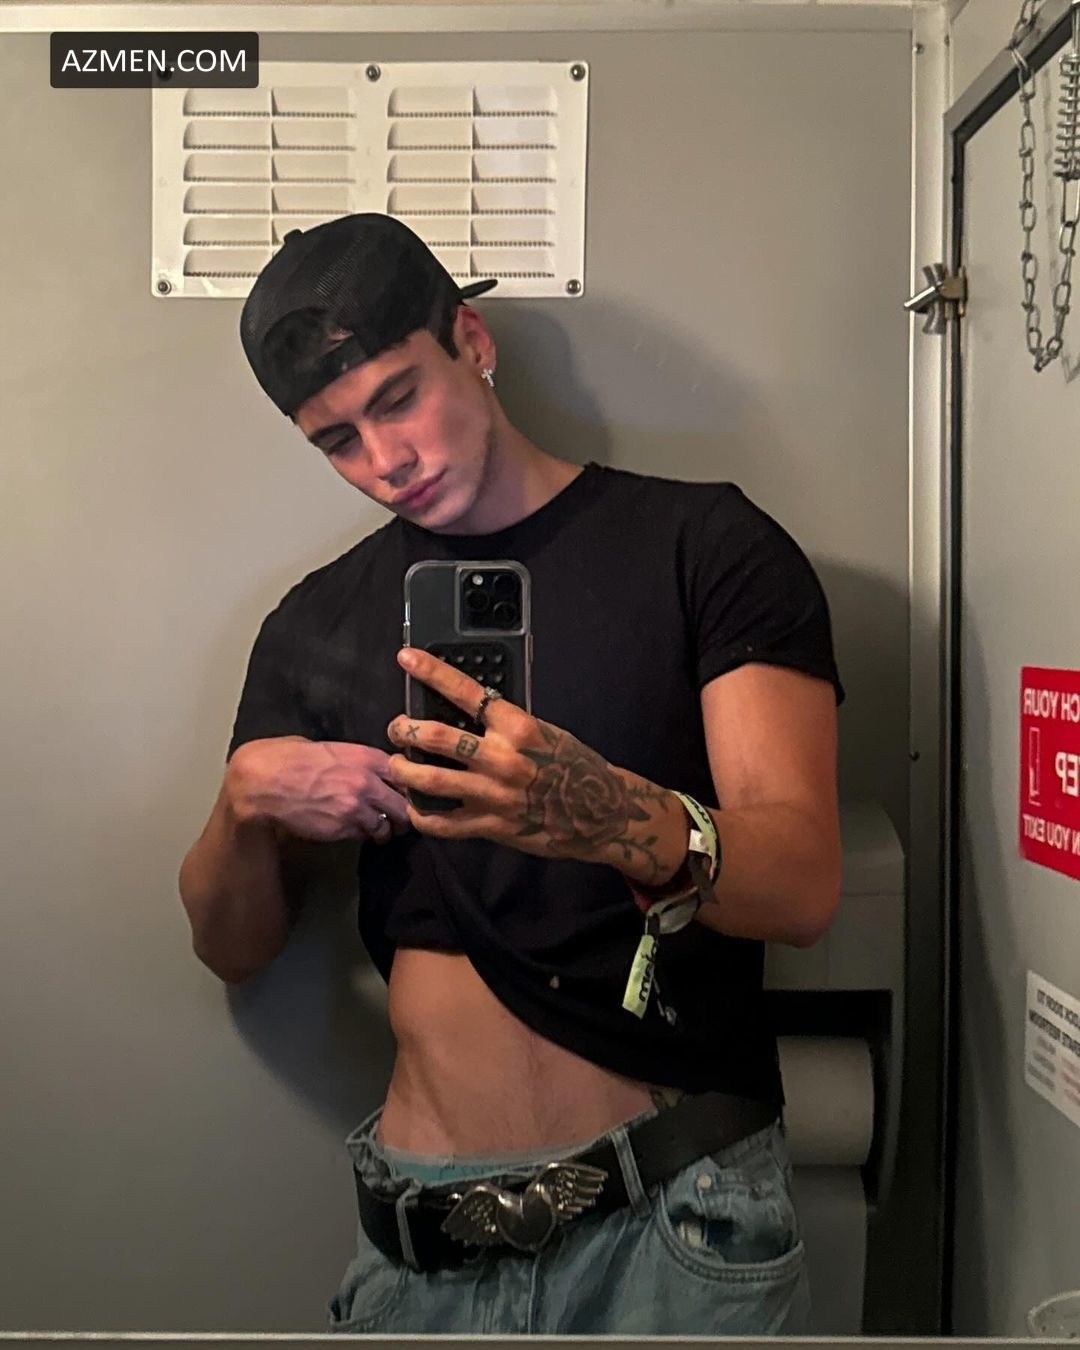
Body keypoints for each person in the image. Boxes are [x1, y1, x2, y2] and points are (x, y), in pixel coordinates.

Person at [177, 213, 846, 1336]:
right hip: (424, 1244)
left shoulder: (704, 548)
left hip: (676, 1218)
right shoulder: (316, 625)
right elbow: (232, 948)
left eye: (398, 399)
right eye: (336, 440)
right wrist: (241, 807)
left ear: (472, 342)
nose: (385, 460)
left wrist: (607, 813)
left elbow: (803, 886)